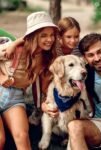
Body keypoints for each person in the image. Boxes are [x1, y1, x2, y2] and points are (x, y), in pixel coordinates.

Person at [41, 17, 101, 115]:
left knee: (88, 80)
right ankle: (45, 104)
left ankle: (91, 109)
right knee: (48, 82)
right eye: (68, 37)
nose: (73, 40)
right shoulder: (55, 48)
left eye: (76, 36)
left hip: (76, 73)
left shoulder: (78, 46)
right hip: (58, 73)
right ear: (60, 36)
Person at [0, 11, 58, 149]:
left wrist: (44, 104)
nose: (49, 39)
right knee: (0, 139)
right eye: (43, 35)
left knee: (22, 137)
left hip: (15, 99)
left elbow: (41, 87)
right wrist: (1, 77)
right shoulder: (14, 48)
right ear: (33, 35)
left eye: (51, 35)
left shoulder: (45, 59)